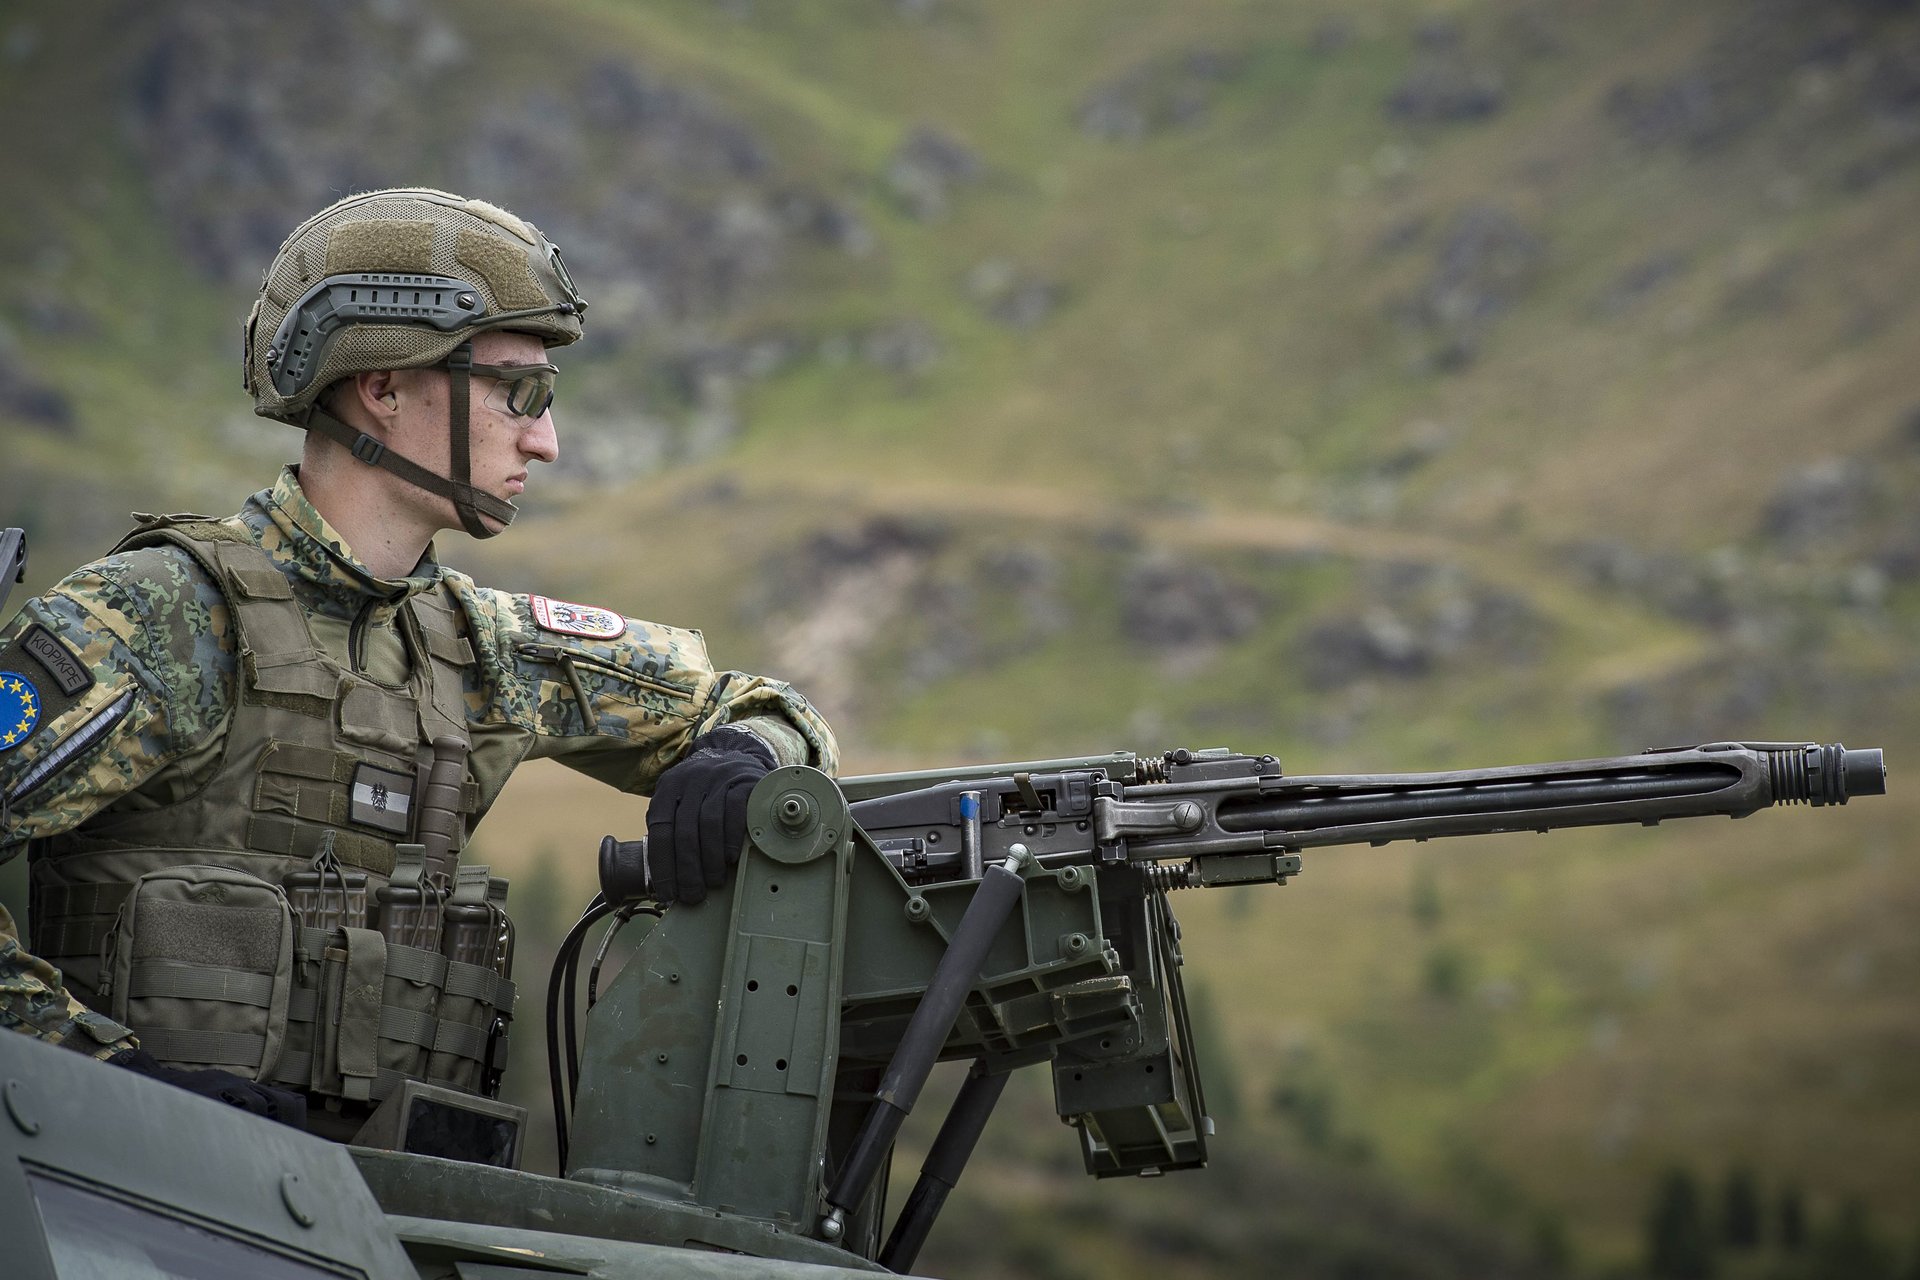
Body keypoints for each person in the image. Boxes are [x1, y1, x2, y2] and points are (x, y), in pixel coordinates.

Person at [0, 188, 837, 1134]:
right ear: (384, 386)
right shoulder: (161, 618)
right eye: (519, 393)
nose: (547, 441)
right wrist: (106, 1087)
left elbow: (755, 705)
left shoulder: (481, 648)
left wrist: (751, 755)